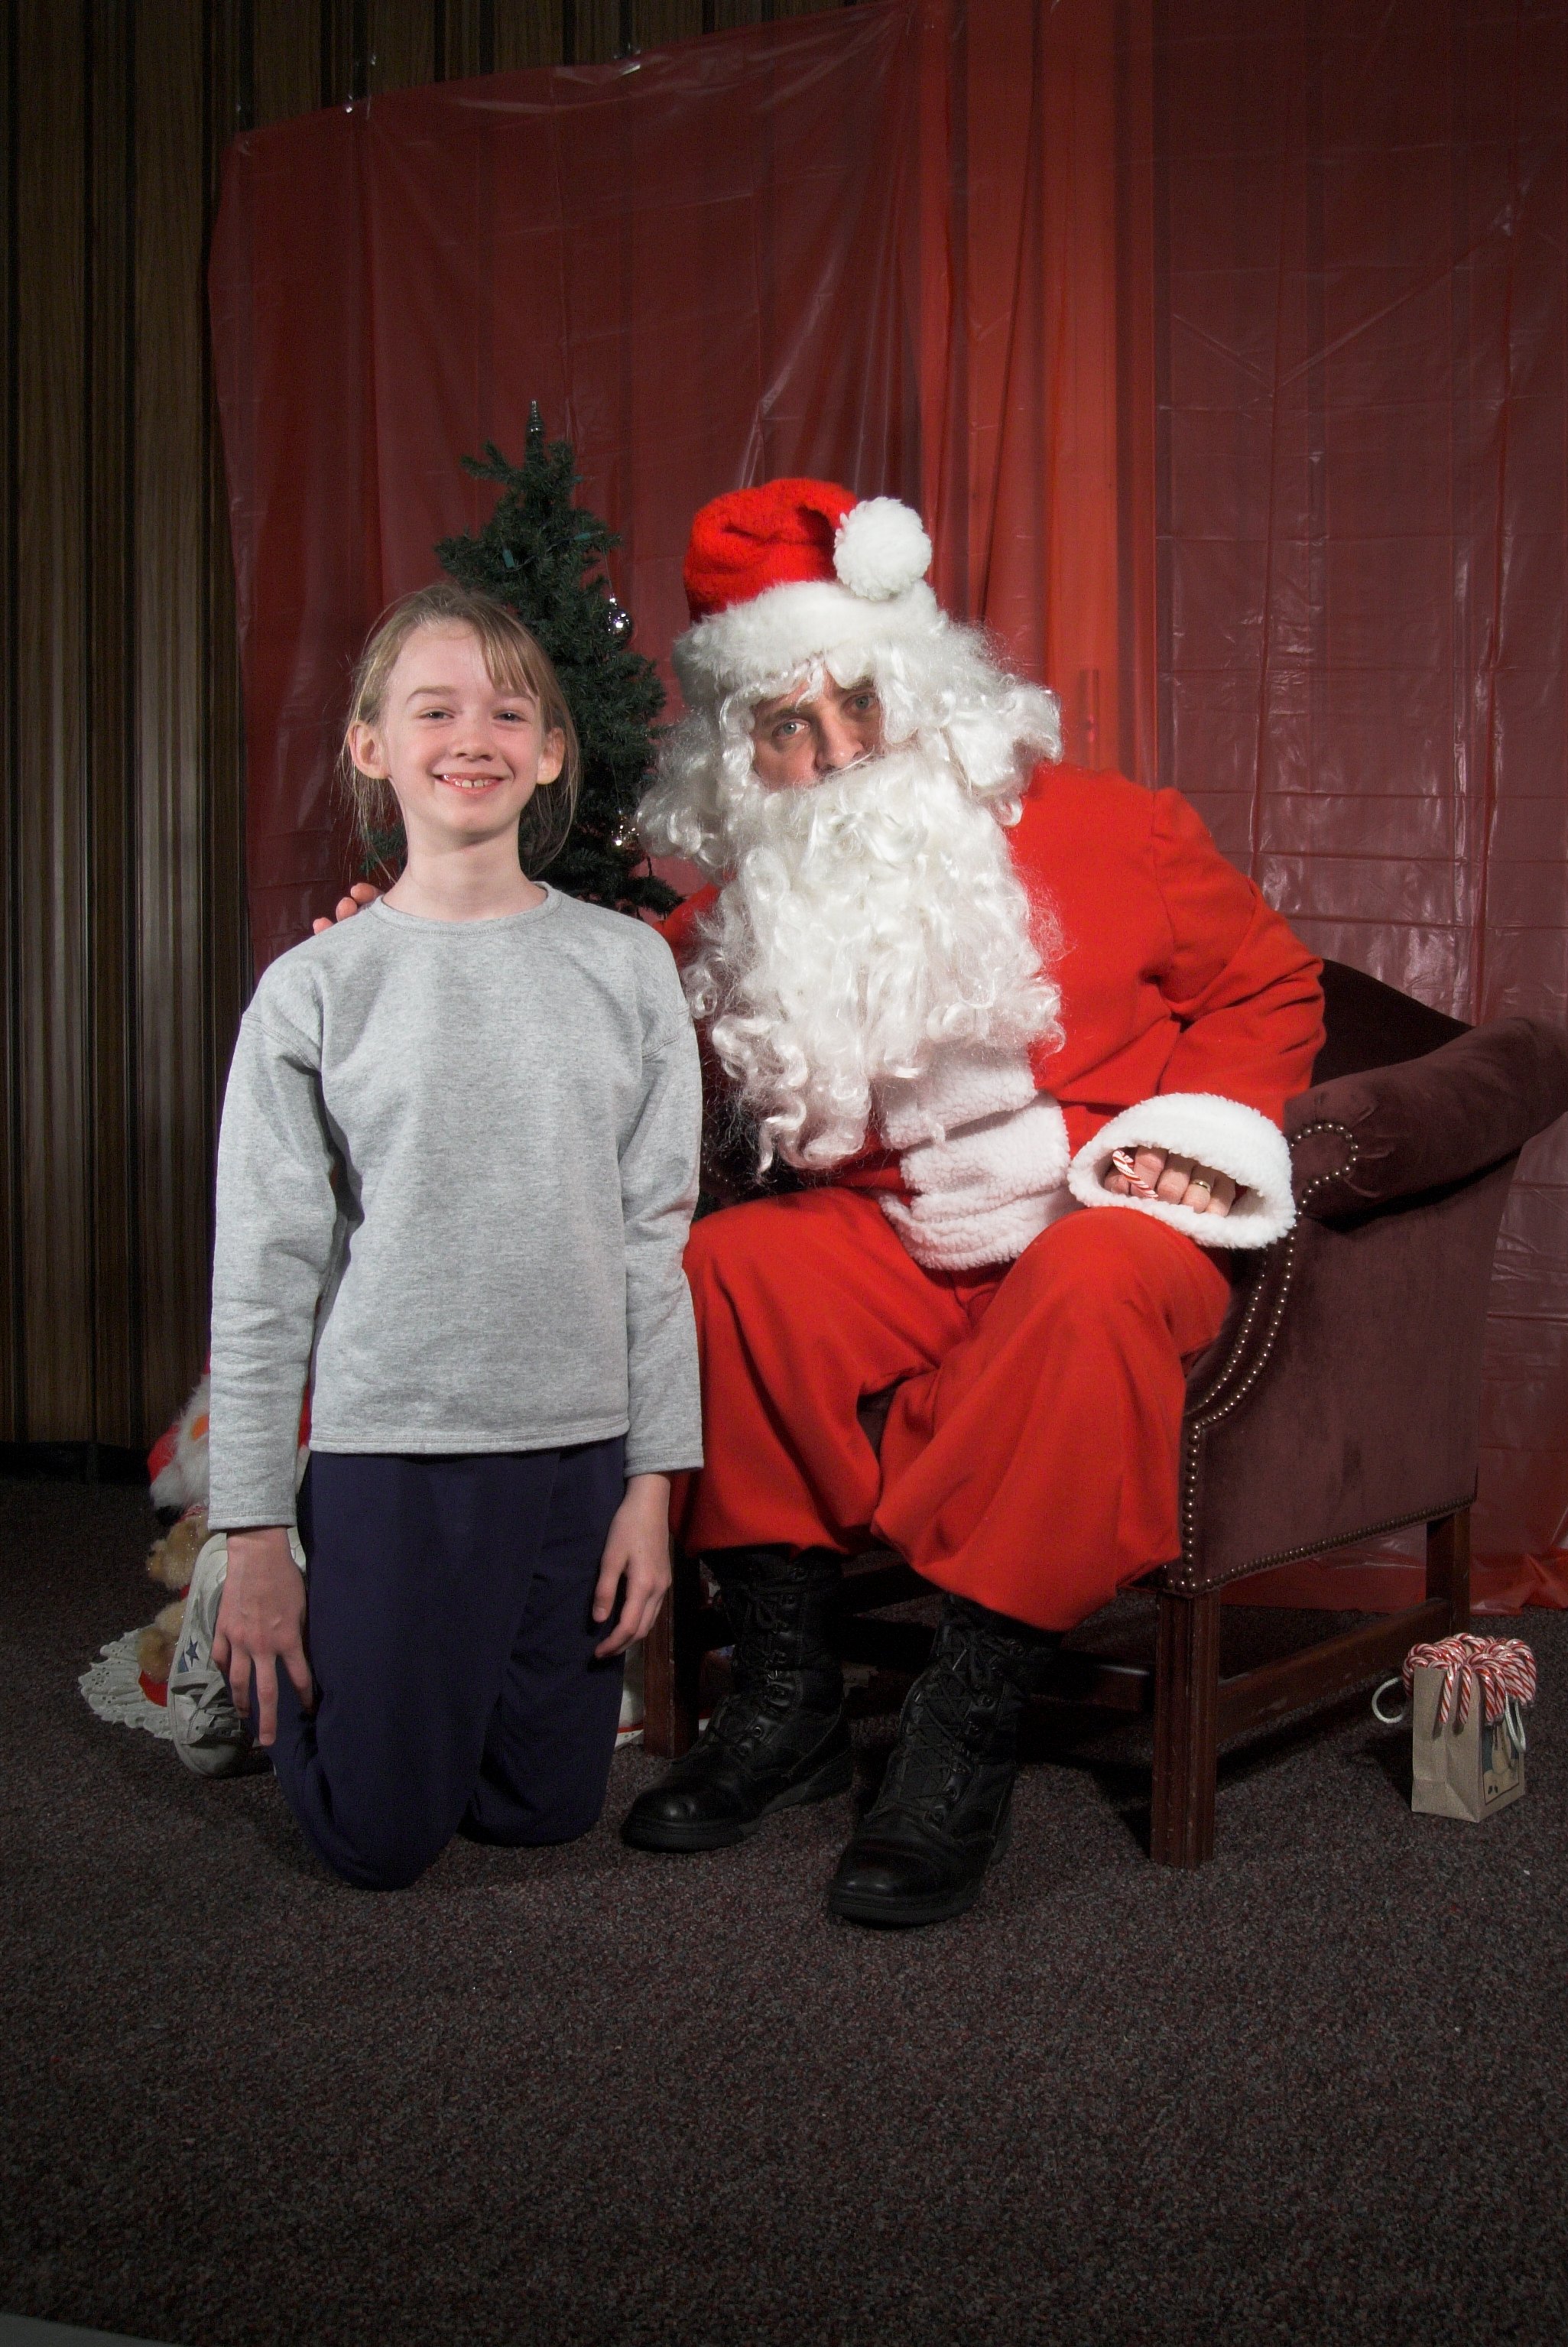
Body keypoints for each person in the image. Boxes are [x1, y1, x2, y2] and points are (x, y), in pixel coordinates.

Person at [326, 482, 1324, 1928]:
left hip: (1098, 1220)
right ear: (741, 758)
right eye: (786, 727)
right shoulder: (739, 911)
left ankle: (963, 1723)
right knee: (731, 1270)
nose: (837, 751)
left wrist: (1199, 1135)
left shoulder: (1120, 830)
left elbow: (1269, 984)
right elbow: (566, 985)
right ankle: (786, 1698)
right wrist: (405, 947)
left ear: (924, 686)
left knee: (1091, 1281)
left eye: (859, 701)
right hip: (897, 1239)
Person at [193, 581, 701, 1891]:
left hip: (574, 1451)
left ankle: (423, 1670)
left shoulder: (627, 967)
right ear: (371, 745)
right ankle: (260, 1621)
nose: (472, 735)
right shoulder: (315, 987)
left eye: (508, 711)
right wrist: (251, 1536)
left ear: (550, 754)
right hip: (394, 1445)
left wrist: (652, 1487)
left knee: (542, 1813)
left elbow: (653, 1238)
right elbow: (263, 1272)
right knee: (376, 1838)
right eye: (434, 709)